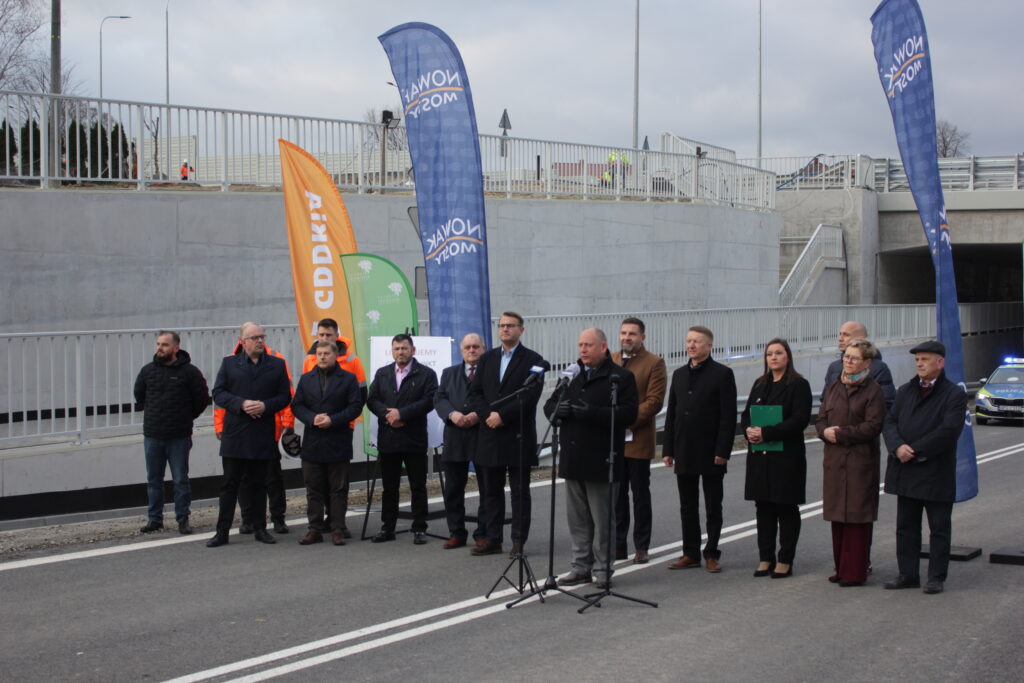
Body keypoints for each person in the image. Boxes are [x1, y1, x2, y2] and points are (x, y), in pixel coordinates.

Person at [544, 328, 638, 589]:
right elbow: (550, 404)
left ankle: (603, 568)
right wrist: (557, 411)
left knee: (602, 520)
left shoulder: (620, 377)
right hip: (573, 457)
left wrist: (593, 413)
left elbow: (629, 414)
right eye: (580, 345)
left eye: (588, 345)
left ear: (603, 347)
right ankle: (580, 566)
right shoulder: (571, 374)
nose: (583, 350)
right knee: (578, 520)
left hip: (602, 459)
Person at [882, 340, 967, 595]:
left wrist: (915, 450)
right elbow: (890, 421)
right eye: (917, 359)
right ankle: (907, 574)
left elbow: (949, 431)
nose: (919, 364)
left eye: (925, 359)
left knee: (938, 528)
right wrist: (897, 446)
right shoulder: (906, 390)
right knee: (906, 526)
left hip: (935, 471)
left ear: (940, 363)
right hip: (905, 468)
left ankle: (936, 577)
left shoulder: (953, 394)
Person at [467, 312, 547, 557]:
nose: (504, 329)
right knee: (491, 491)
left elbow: (530, 396)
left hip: (517, 434)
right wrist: (488, 415)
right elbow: (475, 392)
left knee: (519, 493)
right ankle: (493, 539)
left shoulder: (534, 360)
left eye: (510, 326)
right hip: (490, 433)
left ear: (521, 330)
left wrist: (502, 415)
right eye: (501, 325)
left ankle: (518, 541)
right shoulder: (487, 358)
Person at [208, 323, 293, 547]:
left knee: (259, 485)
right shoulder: (229, 363)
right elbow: (218, 393)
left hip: (262, 433)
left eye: (262, 336)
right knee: (230, 485)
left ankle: (260, 529)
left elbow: (285, 396)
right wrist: (241, 404)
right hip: (235, 434)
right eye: (254, 337)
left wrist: (265, 406)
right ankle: (222, 532)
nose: (260, 341)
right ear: (242, 341)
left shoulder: (277, 364)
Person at [663, 325, 737, 573]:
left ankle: (712, 553)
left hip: (711, 449)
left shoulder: (722, 374)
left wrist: (723, 451)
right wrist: (668, 448)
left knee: (713, 505)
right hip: (684, 447)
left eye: (697, 341)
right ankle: (691, 553)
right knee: (687, 506)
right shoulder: (679, 374)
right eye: (689, 341)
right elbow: (672, 414)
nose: (691, 345)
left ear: (709, 345)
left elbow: (728, 416)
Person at [816, 337, 886, 586]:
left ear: (867, 362)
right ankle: (841, 568)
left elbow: (873, 426)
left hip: (859, 462)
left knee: (856, 518)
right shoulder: (835, 386)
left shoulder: (873, 391)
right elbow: (821, 418)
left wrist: (841, 434)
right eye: (846, 356)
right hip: (835, 461)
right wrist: (823, 431)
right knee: (838, 517)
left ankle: (855, 572)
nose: (848, 361)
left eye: (854, 358)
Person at [741, 338, 812, 578]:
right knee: (763, 507)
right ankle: (765, 557)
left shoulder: (798, 385)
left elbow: (800, 419)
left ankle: (785, 559)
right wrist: (749, 430)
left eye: (778, 353)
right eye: (769, 353)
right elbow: (747, 414)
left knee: (785, 507)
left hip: (786, 456)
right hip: (760, 456)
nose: (773, 357)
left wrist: (767, 432)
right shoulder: (760, 384)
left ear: (787, 356)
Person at [133, 330, 210, 535]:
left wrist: (186, 416)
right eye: (158, 344)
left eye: (165, 345)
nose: (160, 348)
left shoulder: (190, 372)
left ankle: (183, 519)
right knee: (154, 480)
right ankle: (154, 519)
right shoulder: (148, 371)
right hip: (153, 434)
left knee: (180, 480)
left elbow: (202, 399)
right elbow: (139, 394)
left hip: (179, 435)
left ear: (176, 348)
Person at [366, 334, 438, 545]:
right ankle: (387, 528)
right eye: (396, 348)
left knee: (418, 486)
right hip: (388, 437)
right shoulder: (382, 373)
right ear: (392, 351)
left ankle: (420, 528)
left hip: (414, 438)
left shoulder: (426, 374)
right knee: (390, 487)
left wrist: (402, 414)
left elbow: (430, 401)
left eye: (404, 348)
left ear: (413, 350)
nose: (400, 352)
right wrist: (388, 415)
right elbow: (372, 399)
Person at [291, 341, 364, 546]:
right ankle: (314, 529)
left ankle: (337, 528)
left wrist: (333, 419)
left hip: (338, 440)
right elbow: (297, 405)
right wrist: (312, 418)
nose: (322, 357)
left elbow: (355, 406)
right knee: (313, 489)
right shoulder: (306, 379)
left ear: (335, 355)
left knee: (338, 489)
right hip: (313, 441)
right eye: (319, 354)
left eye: (326, 354)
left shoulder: (348, 378)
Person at [611, 317, 666, 564]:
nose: (627, 337)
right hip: (613, 440)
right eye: (623, 333)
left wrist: (625, 420)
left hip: (638, 438)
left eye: (632, 334)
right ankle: (618, 544)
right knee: (616, 495)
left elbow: (654, 401)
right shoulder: (610, 359)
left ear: (642, 337)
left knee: (640, 495)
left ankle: (641, 546)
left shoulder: (654, 363)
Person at [434, 333, 486, 549]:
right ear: (461, 350)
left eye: (476, 347)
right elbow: (439, 398)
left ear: (483, 349)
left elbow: (495, 398)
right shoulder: (449, 373)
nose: (472, 350)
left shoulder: (490, 372)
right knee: (453, 488)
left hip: (482, 435)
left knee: (487, 488)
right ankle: (456, 532)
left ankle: (483, 533)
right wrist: (452, 414)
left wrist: (477, 415)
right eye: (467, 347)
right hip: (455, 435)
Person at [822, 321, 895, 409]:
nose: (840, 339)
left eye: (846, 335)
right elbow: (824, 401)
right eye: (840, 334)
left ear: (861, 339)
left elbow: (885, 404)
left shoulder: (879, 368)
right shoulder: (834, 367)